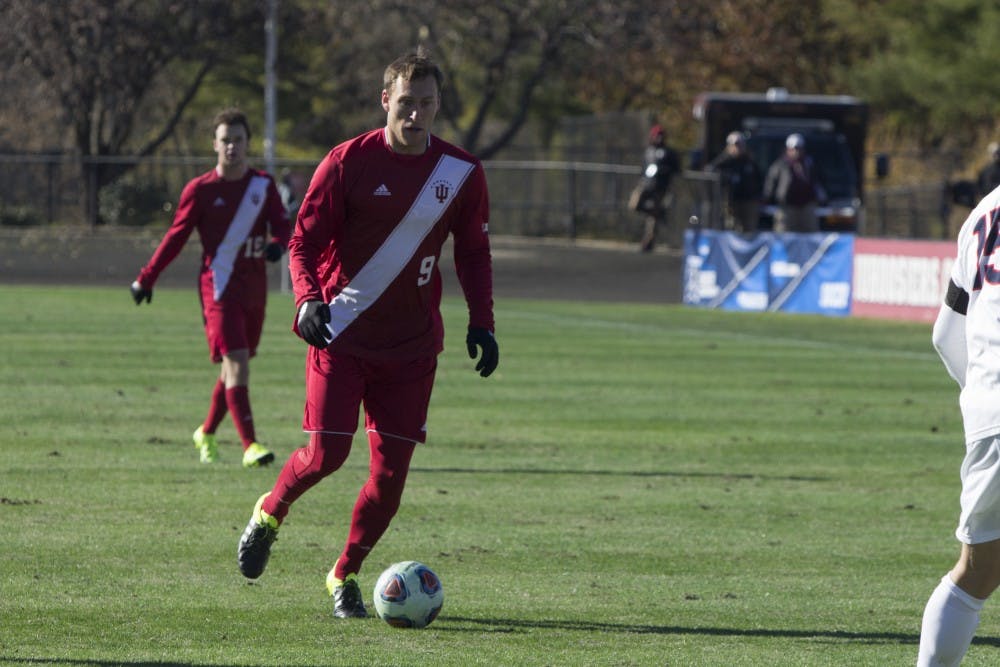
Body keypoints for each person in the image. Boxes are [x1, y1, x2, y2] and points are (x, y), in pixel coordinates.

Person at [236, 48, 498, 619]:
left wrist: (483, 321)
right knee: (326, 455)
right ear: (386, 100)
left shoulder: (460, 173)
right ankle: (268, 515)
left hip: (411, 350)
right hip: (343, 333)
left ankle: (344, 575)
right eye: (406, 102)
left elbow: (474, 254)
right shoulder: (347, 162)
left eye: (427, 104)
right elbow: (302, 241)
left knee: (388, 482)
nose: (416, 114)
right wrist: (307, 298)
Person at [130, 108, 290, 468]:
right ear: (215, 145)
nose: (232, 147)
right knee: (237, 362)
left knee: (234, 367)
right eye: (225, 140)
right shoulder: (200, 190)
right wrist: (147, 277)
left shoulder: (262, 187)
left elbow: (283, 224)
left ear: (248, 144)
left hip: (254, 290)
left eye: (238, 140)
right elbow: (175, 237)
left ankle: (206, 431)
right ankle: (250, 445)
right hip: (218, 290)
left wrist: (278, 243)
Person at [918, 183, 1000, 664]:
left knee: (975, 572)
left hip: (991, 409)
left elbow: (946, 333)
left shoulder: (985, 210)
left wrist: (983, 399)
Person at [630, 124, 680, 252]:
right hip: (646, 184)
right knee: (634, 205)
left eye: (661, 136)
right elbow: (643, 167)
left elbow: (677, 169)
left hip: (660, 187)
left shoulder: (669, 153)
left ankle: (648, 243)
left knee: (652, 220)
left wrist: (664, 171)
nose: (659, 138)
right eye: (657, 135)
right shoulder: (648, 151)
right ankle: (658, 212)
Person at [763, 133, 827, 233]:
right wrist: (768, 197)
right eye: (794, 149)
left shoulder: (810, 163)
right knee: (784, 233)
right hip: (787, 206)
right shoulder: (780, 164)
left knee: (810, 233)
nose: (796, 152)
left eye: (799, 148)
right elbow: (771, 181)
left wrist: (822, 197)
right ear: (788, 149)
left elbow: (818, 181)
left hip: (807, 204)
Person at [707, 131, 763, 232]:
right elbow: (711, 170)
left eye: (739, 145)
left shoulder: (749, 161)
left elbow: (758, 179)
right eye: (734, 145)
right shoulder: (724, 161)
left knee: (749, 229)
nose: (737, 148)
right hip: (731, 201)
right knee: (732, 227)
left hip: (748, 201)